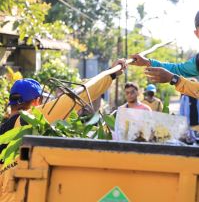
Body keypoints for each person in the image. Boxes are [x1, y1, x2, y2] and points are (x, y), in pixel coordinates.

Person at [0, 60, 127, 201]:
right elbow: (76, 97)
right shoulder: (29, 119)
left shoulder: (3, 131)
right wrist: (111, 74)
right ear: (37, 101)